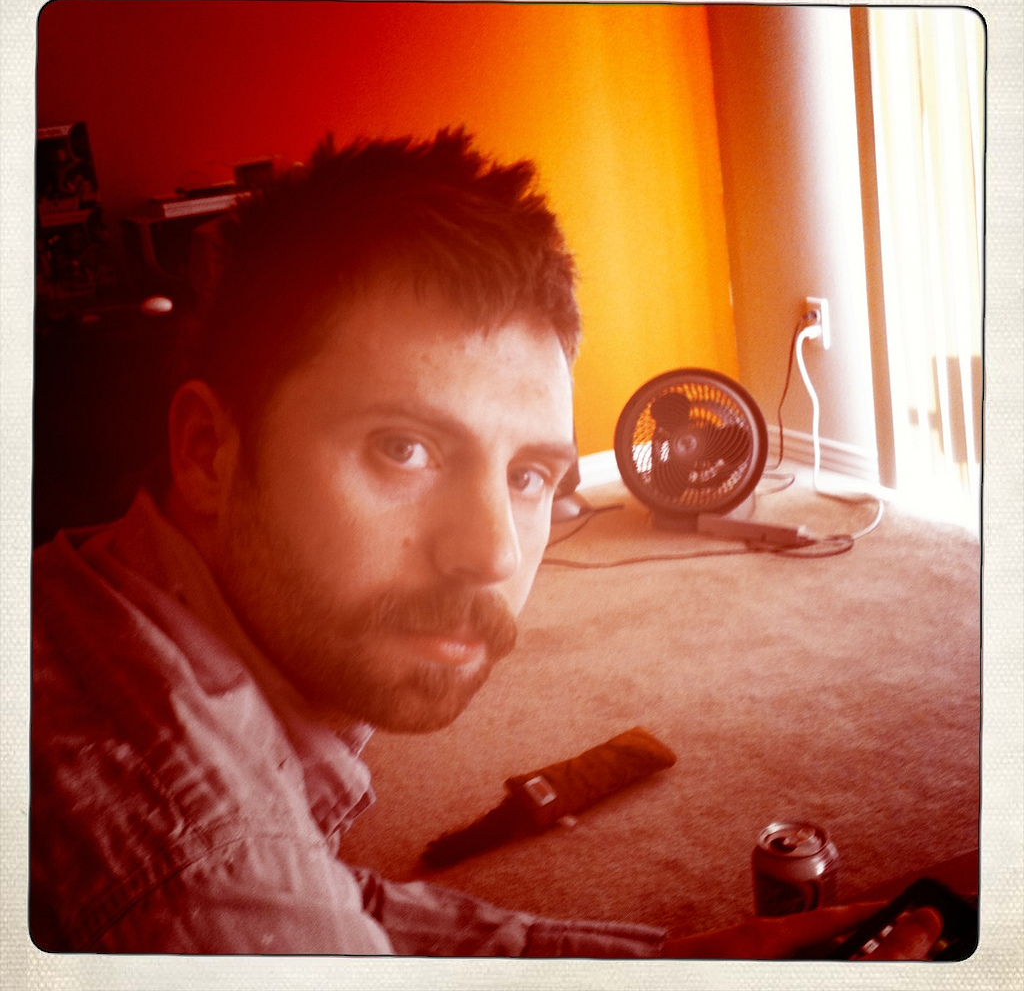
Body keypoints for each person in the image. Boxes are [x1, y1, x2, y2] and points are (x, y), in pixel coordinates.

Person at [30, 128, 941, 958]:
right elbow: (255, 887)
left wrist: (658, 967)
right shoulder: (198, 877)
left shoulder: (100, 594)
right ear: (207, 452)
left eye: (531, 475)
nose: (495, 555)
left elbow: (340, 906)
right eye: (403, 448)